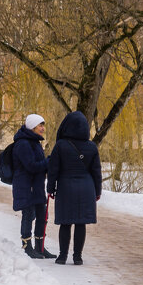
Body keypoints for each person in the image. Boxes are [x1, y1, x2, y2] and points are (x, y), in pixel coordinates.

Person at [47, 110, 102, 264]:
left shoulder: (61, 145)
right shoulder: (92, 147)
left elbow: (53, 170)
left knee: (65, 222)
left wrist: (50, 188)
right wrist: (97, 192)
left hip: (66, 186)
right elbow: (96, 171)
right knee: (80, 222)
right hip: (86, 187)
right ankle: (77, 257)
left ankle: (62, 256)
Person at [12, 113, 56, 259]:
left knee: (42, 216)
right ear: (32, 126)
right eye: (40, 125)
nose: (43, 128)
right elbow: (30, 166)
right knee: (29, 215)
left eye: (43, 125)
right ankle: (27, 247)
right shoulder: (23, 143)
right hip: (26, 186)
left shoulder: (35, 142)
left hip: (35, 186)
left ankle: (40, 247)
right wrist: (48, 162)